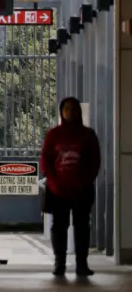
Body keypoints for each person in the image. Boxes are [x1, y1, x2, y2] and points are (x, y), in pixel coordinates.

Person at [39, 97, 101, 278]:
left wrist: (85, 180)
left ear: (78, 111)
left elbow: (94, 161)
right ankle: (60, 264)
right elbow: (46, 161)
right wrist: (53, 182)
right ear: (61, 111)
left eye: (73, 108)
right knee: (59, 227)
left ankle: (82, 265)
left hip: (82, 190)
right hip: (58, 191)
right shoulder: (54, 135)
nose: (70, 112)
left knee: (82, 227)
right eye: (66, 108)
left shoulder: (88, 135)